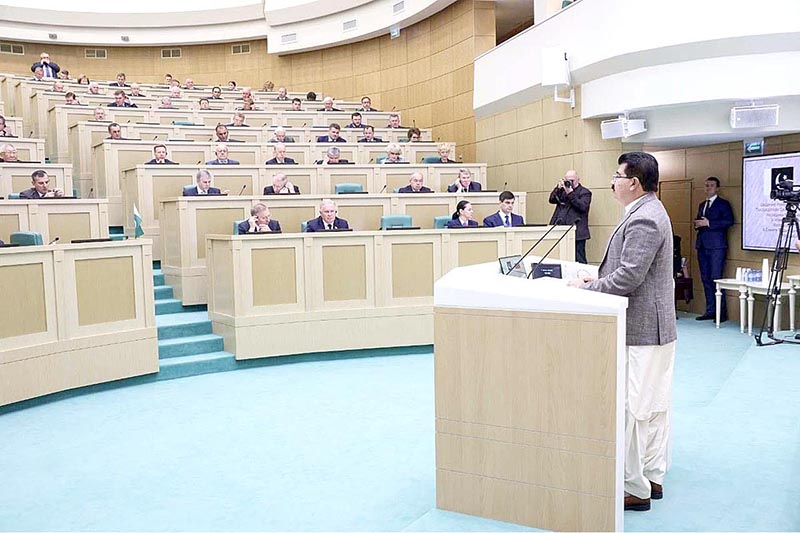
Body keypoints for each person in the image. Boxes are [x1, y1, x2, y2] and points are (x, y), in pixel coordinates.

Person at [567, 151, 676, 513]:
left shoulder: (644, 218)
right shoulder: (649, 210)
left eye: (617, 175)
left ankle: (635, 487)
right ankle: (652, 475)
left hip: (643, 329)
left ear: (633, 183)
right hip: (657, 328)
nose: (612, 181)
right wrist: (598, 278)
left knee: (635, 408)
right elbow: (629, 268)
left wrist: (588, 289)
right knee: (655, 405)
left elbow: (629, 277)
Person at [694, 176, 734, 322]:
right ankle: (710, 310)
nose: (708, 188)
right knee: (705, 279)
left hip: (717, 246)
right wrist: (698, 224)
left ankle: (721, 313)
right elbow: (699, 221)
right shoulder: (702, 204)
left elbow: (729, 221)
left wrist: (709, 223)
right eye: (706, 185)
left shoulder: (723, 204)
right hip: (702, 244)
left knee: (716, 278)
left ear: (717, 188)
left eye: (711, 185)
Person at [548, 169, 592, 264]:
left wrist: (570, 193)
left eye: (572, 180)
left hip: (577, 232)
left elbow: (582, 207)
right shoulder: (562, 190)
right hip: (560, 228)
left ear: (578, 179)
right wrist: (558, 188)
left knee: (579, 257)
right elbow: (551, 200)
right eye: (567, 180)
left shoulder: (585, 192)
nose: (570, 182)